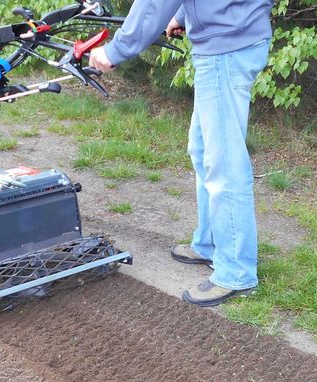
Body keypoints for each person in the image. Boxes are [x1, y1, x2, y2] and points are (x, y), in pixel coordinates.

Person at [89, 0, 272, 306]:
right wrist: (184, 14)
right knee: (202, 150)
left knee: (224, 164)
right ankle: (211, 244)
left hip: (226, 47)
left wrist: (115, 50)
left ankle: (236, 271)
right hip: (233, 37)